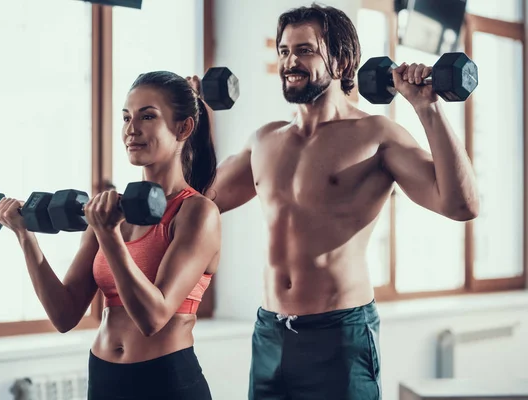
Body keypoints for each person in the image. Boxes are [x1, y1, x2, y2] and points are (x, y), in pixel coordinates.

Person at [192, 4, 479, 400]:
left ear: (342, 61)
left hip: (340, 334)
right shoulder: (264, 141)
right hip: (270, 332)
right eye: (283, 51)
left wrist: (427, 108)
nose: (290, 61)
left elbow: (461, 205)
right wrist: (193, 125)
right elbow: (198, 202)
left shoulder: (375, 135)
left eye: (305, 50)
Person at [0, 71, 221, 400]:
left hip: (166, 381)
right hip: (104, 379)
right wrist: (26, 237)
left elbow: (153, 317)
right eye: (126, 117)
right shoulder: (109, 209)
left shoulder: (197, 213)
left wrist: (109, 236)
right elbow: (64, 314)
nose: (131, 129)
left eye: (148, 116)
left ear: (183, 128)